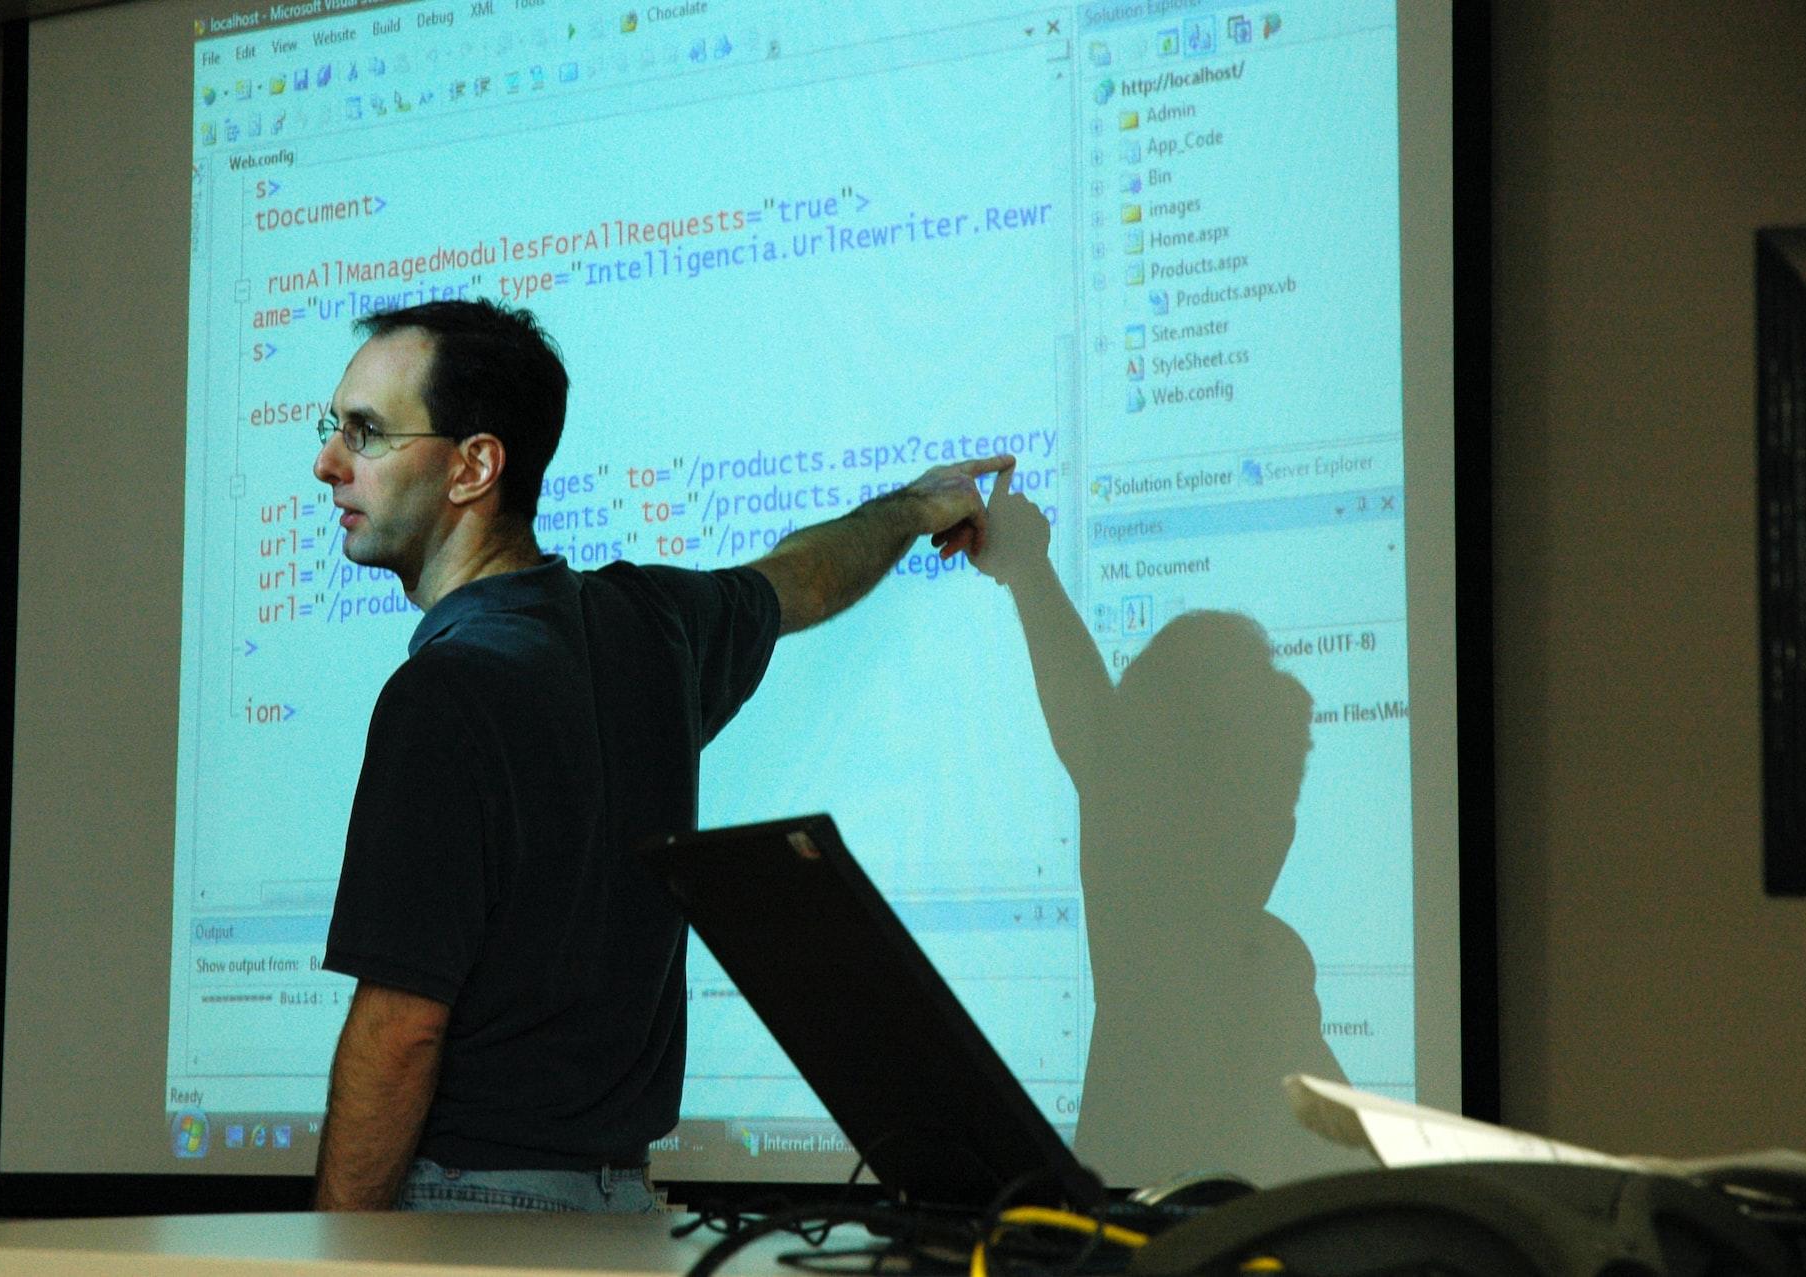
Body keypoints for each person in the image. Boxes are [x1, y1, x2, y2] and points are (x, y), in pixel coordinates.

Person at [308, 298, 1012, 1211]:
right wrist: (918, 506)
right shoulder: (654, 630)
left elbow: (400, 1027)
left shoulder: (444, 692)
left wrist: (331, 1252)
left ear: (474, 466)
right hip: (622, 1213)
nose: (328, 461)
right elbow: (800, 577)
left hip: (463, 1213)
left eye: (364, 433)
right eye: (335, 428)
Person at [974, 474, 1360, 1187]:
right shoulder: (1164, 925)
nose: (1284, 828)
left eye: (1290, 793)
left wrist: (1028, 569)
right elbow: (1092, 716)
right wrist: (1027, 570)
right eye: (1271, 787)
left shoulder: (1270, 965)